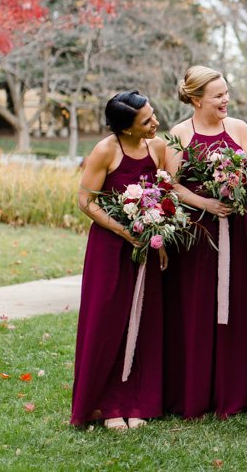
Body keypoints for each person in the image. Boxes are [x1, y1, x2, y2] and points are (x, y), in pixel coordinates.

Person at [71, 91, 169, 430]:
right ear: (126, 129)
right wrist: (124, 231)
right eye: (146, 121)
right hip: (111, 250)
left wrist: (161, 237)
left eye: (152, 114)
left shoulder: (157, 147)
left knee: (145, 321)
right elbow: (86, 201)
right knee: (109, 321)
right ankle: (109, 405)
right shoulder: (106, 150)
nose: (155, 122)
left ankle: (139, 400)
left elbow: (166, 195)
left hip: (148, 247)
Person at [163, 66, 247, 418]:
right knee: (196, 307)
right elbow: (170, 183)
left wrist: (239, 187)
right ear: (196, 98)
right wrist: (205, 202)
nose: (225, 100)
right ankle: (196, 391)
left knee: (236, 304)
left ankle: (233, 392)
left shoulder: (239, 128)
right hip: (196, 234)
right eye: (218, 95)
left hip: (234, 226)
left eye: (227, 93)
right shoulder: (179, 133)